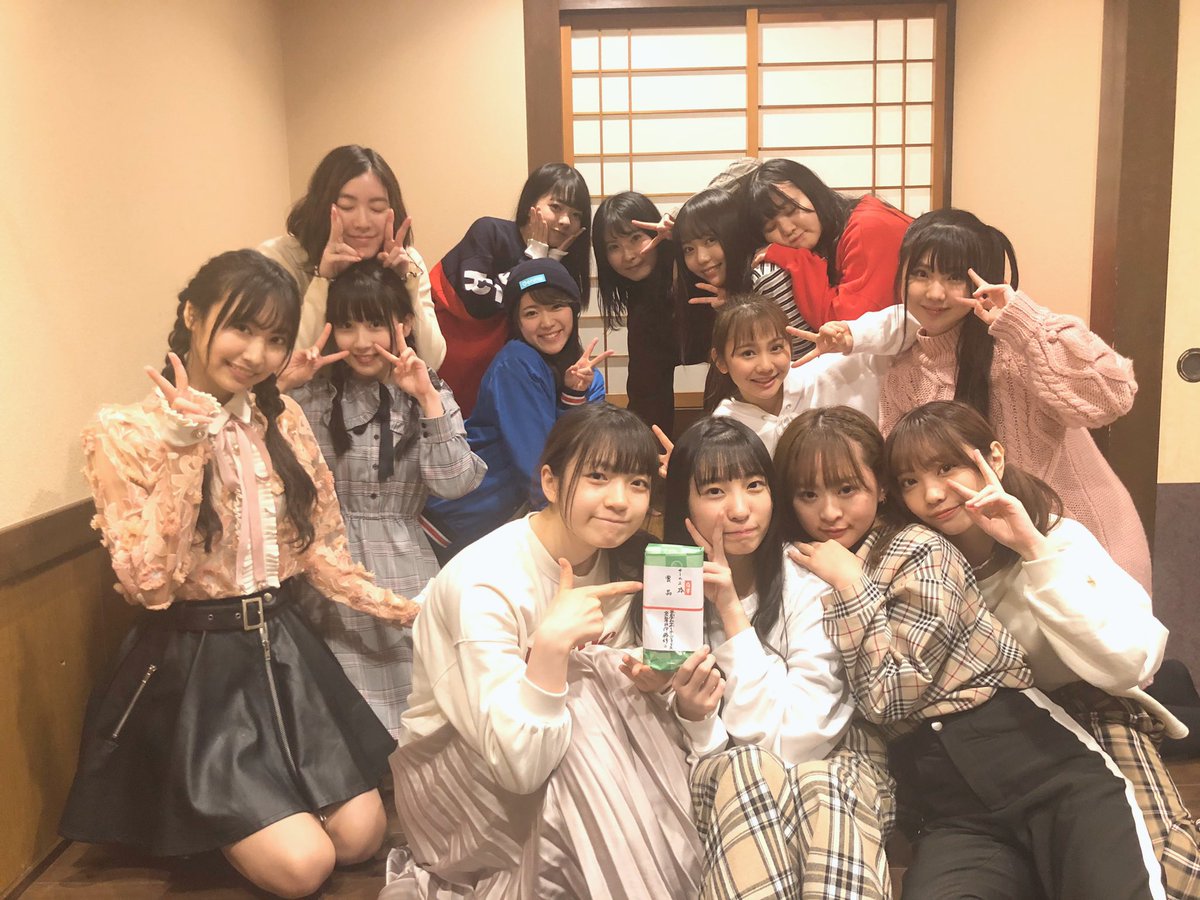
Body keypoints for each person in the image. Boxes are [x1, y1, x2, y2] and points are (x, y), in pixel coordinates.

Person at [59, 250, 418, 899]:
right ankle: (206, 815)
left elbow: (323, 554)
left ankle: (259, 814)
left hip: (284, 648)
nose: (256, 354)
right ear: (192, 315)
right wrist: (184, 445)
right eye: (241, 328)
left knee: (363, 837)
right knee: (304, 869)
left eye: (275, 338)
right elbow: (149, 584)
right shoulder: (124, 430)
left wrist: (414, 610)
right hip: (196, 664)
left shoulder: (281, 420)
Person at [779, 405, 1166, 900]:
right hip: (950, 807)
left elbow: (891, 695)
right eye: (808, 495)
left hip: (1036, 760)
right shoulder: (808, 568)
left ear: (879, 488)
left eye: (846, 489)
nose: (829, 512)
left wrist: (853, 587)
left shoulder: (918, 549)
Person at [381, 403, 703, 898]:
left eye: (637, 483)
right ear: (550, 482)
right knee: (585, 692)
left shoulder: (632, 560)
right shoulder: (485, 583)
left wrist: (654, 679)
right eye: (598, 477)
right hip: (461, 779)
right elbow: (520, 769)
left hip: (576, 762)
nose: (620, 500)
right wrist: (551, 649)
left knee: (602, 686)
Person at [886, 399, 1200, 899]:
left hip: (1093, 714)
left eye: (946, 467)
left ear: (994, 457)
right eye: (909, 480)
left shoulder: (1058, 538)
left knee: (1169, 876)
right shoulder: (915, 567)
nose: (931, 493)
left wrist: (1033, 550)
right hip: (990, 742)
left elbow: (1129, 661)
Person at [643, 415, 894, 898]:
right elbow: (695, 746)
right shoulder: (668, 589)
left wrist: (731, 612)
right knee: (748, 769)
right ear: (683, 503)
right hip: (723, 784)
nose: (740, 509)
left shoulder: (808, 579)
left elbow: (798, 742)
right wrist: (695, 717)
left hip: (826, 775)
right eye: (714, 491)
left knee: (816, 780)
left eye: (754, 485)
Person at [876, 207, 1151, 590]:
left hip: (1085, 549)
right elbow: (905, 477)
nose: (935, 293)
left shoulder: (1017, 347)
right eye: (921, 274)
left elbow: (1114, 396)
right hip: (995, 568)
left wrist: (1026, 321)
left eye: (954, 277)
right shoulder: (903, 373)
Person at [284, 259, 485, 735]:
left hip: (407, 565)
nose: (361, 341)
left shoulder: (431, 390)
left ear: (405, 324)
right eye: (348, 325)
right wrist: (281, 389)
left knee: (420, 713)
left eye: (375, 323)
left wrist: (427, 400)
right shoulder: (312, 395)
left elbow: (455, 483)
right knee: (340, 719)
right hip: (328, 570)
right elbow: (262, 475)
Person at [422, 259, 609, 560]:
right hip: (455, 521)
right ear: (517, 322)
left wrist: (574, 395)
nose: (546, 322)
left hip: (503, 526)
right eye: (531, 312)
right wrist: (570, 538)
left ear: (573, 309)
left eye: (556, 306)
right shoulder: (517, 362)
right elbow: (538, 463)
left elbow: (581, 452)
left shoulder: (592, 379)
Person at [257, 144, 444, 368]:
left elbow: (432, 360)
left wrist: (407, 282)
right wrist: (322, 280)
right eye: (346, 207)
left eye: (376, 208)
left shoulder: (405, 259)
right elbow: (279, 366)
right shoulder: (281, 258)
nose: (362, 223)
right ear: (320, 207)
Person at [430, 162, 591, 415]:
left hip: (509, 380)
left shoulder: (561, 260)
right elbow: (476, 301)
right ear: (530, 203)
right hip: (454, 360)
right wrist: (535, 258)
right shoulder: (490, 231)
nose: (565, 221)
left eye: (576, 214)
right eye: (556, 207)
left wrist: (551, 262)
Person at [708, 294, 912, 455]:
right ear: (721, 361)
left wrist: (853, 336)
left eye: (776, 348)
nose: (766, 366)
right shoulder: (723, 433)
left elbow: (917, 322)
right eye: (748, 353)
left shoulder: (826, 373)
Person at [746, 158, 912, 329]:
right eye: (771, 227)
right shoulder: (835, 232)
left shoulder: (868, 227)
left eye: (791, 210)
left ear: (813, 192)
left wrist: (796, 260)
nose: (787, 229)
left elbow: (844, 326)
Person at [593, 190, 708, 434]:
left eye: (636, 238)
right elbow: (646, 397)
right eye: (613, 247)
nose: (628, 255)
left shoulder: (695, 263)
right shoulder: (641, 308)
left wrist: (683, 224)